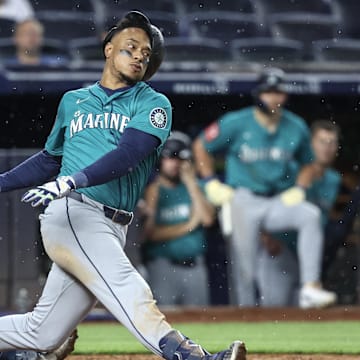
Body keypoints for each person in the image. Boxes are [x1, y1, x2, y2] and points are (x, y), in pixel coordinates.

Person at [0, 11, 246, 360]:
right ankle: (195, 357)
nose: (139, 56)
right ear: (108, 48)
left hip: (111, 221)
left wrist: (71, 178)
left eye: (146, 54)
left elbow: (128, 154)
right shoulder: (74, 101)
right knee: (129, 288)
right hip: (75, 212)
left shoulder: (153, 104)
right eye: (131, 47)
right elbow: (49, 159)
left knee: (42, 332)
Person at [193, 67, 337, 308]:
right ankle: (245, 316)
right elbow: (201, 146)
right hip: (244, 198)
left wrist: (300, 187)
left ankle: (310, 287)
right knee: (244, 269)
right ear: (258, 94)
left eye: (278, 92)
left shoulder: (296, 125)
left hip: (278, 200)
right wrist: (210, 182)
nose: (273, 98)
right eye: (268, 92)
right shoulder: (237, 122)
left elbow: (310, 163)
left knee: (310, 215)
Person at [256, 120, 342, 307]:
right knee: (274, 311)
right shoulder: (290, 170)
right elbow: (263, 202)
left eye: (332, 142)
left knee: (307, 313)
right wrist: (264, 235)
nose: (327, 148)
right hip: (280, 250)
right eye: (322, 141)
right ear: (309, 144)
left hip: (308, 255)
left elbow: (326, 214)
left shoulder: (334, 179)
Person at [142, 131, 215, 306]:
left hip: (195, 267)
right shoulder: (152, 191)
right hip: (162, 267)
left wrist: (191, 182)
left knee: (201, 322)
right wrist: (189, 226)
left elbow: (207, 219)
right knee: (164, 322)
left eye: (181, 159)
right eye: (171, 158)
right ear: (161, 159)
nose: (176, 164)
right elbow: (149, 234)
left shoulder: (196, 187)